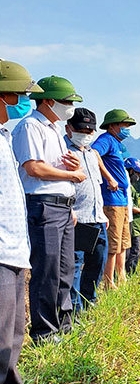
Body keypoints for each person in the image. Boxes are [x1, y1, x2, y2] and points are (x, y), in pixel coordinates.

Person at [11, 74, 85, 343]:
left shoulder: (55, 129)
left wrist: (72, 173)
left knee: (65, 269)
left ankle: (64, 323)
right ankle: (44, 332)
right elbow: (34, 168)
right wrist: (72, 177)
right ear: (48, 101)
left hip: (63, 207)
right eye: (67, 102)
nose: (70, 108)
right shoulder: (31, 127)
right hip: (44, 206)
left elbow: (56, 166)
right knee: (47, 270)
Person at [0, 59, 44, 384]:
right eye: (18, 94)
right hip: (0, 251)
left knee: (13, 334)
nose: (22, 101)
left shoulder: (3, 137)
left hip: (14, 249)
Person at [65, 107, 110, 312]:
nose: (85, 135)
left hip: (97, 217)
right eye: (81, 131)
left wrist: (102, 212)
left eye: (89, 132)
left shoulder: (92, 154)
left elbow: (95, 185)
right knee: (75, 266)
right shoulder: (63, 151)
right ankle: (74, 311)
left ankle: (89, 302)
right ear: (69, 129)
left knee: (97, 263)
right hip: (77, 218)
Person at [92, 109, 136, 289]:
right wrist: (109, 177)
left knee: (123, 242)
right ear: (112, 126)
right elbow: (93, 154)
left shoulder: (117, 144)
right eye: (124, 125)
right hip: (111, 201)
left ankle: (121, 276)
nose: (127, 129)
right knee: (113, 243)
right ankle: (108, 282)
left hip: (122, 200)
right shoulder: (106, 140)